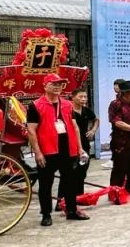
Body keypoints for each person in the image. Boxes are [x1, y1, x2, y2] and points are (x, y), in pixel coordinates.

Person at [26, 74, 87, 226]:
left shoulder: (67, 105)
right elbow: (31, 131)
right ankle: (46, 214)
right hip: (47, 150)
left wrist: (79, 148)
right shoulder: (35, 106)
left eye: (60, 84)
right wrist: (38, 152)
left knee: (70, 181)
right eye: (54, 84)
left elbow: (74, 127)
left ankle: (71, 210)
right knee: (46, 184)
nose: (57, 87)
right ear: (45, 86)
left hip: (67, 148)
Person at [108, 79, 130, 197]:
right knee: (119, 168)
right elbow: (117, 122)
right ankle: (115, 193)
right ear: (126, 93)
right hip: (121, 142)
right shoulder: (115, 104)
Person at [69, 88, 98, 199]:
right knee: (72, 172)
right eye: (80, 97)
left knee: (82, 170)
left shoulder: (86, 111)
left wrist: (93, 130)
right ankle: (68, 198)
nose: (83, 99)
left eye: (85, 97)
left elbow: (96, 120)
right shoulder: (69, 111)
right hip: (72, 144)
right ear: (73, 97)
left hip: (85, 144)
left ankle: (79, 196)